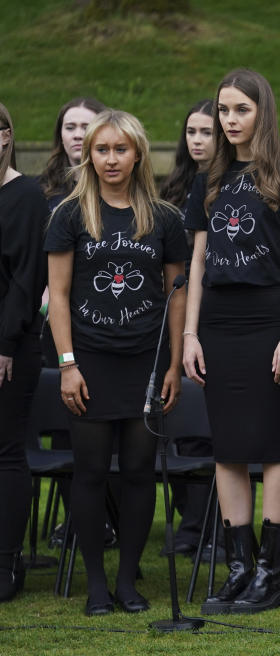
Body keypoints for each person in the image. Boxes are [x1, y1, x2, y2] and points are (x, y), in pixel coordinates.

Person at [182, 68, 280, 615]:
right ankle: (239, 566)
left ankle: (271, 572)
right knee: (228, 446)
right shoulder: (208, 176)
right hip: (218, 323)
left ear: (262, 111)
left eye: (241, 110)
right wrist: (190, 333)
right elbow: (196, 260)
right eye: (223, 111)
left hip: (269, 319)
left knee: (272, 443)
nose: (230, 120)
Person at [45, 109, 188, 616]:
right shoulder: (68, 215)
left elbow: (176, 295)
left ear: (137, 155)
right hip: (89, 365)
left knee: (137, 473)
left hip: (145, 366)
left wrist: (172, 365)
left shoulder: (164, 218)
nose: (110, 159)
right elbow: (58, 296)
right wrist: (67, 364)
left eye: (120, 149)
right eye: (101, 149)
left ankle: (127, 582)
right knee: (88, 475)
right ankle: (96, 587)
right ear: (89, 154)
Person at [159, 99, 217, 558]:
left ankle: (208, 524)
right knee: (178, 421)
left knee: (212, 424)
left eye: (207, 132)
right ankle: (191, 519)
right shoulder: (173, 188)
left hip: (217, 313)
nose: (198, 140)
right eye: (191, 132)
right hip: (173, 315)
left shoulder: (233, 185)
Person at [0, 102, 48, 602]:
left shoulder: (28, 196)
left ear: (7, 135)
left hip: (9, 347)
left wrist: (5, 343)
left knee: (6, 453)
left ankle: (5, 563)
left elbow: (25, 279)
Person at [38, 97, 107, 211]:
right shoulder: (40, 189)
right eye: (70, 128)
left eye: (87, 128)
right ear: (60, 135)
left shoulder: (118, 188)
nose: (78, 135)